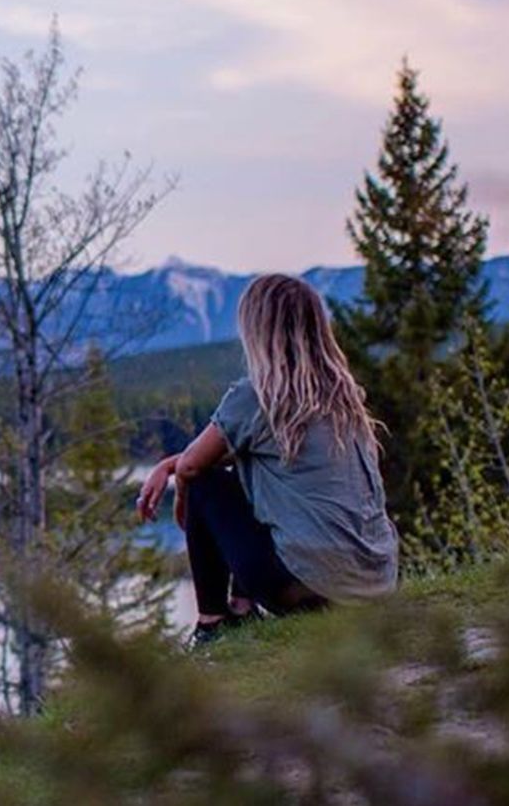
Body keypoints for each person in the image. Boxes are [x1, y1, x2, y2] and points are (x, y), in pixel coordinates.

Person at [136, 273, 399, 646]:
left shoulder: (257, 396)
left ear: (257, 332)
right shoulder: (344, 395)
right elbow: (219, 453)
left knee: (208, 483)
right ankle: (242, 607)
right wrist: (169, 465)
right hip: (375, 586)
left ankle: (213, 624)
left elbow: (194, 467)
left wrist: (181, 489)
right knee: (249, 467)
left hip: (307, 590)